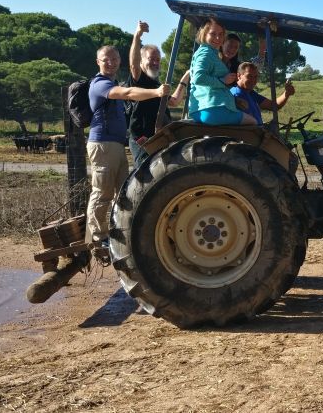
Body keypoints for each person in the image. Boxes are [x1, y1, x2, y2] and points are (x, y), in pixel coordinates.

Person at [86, 45, 170, 261]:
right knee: (102, 191)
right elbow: (129, 93)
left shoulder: (112, 81)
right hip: (102, 143)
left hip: (116, 144)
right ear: (98, 61)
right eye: (106, 59)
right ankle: (96, 237)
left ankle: (117, 233)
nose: (111, 62)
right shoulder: (100, 84)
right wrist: (156, 92)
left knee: (122, 192)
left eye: (115, 59)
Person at [126, 21, 187, 167]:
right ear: (142, 61)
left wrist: (185, 78)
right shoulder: (139, 79)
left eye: (157, 60)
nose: (155, 62)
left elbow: (173, 102)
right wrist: (137, 36)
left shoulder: (157, 85)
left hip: (158, 136)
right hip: (142, 138)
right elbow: (133, 64)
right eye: (151, 59)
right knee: (143, 172)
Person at [187, 18, 258, 125]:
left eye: (221, 34)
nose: (217, 38)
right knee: (253, 122)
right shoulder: (206, 53)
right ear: (204, 34)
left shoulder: (211, 53)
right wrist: (223, 80)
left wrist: (234, 100)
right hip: (212, 109)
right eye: (213, 34)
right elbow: (198, 78)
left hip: (203, 109)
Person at [230, 61, 296, 124]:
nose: (253, 80)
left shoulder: (251, 93)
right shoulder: (234, 95)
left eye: (255, 77)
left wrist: (286, 94)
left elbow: (272, 106)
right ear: (239, 76)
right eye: (249, 76)